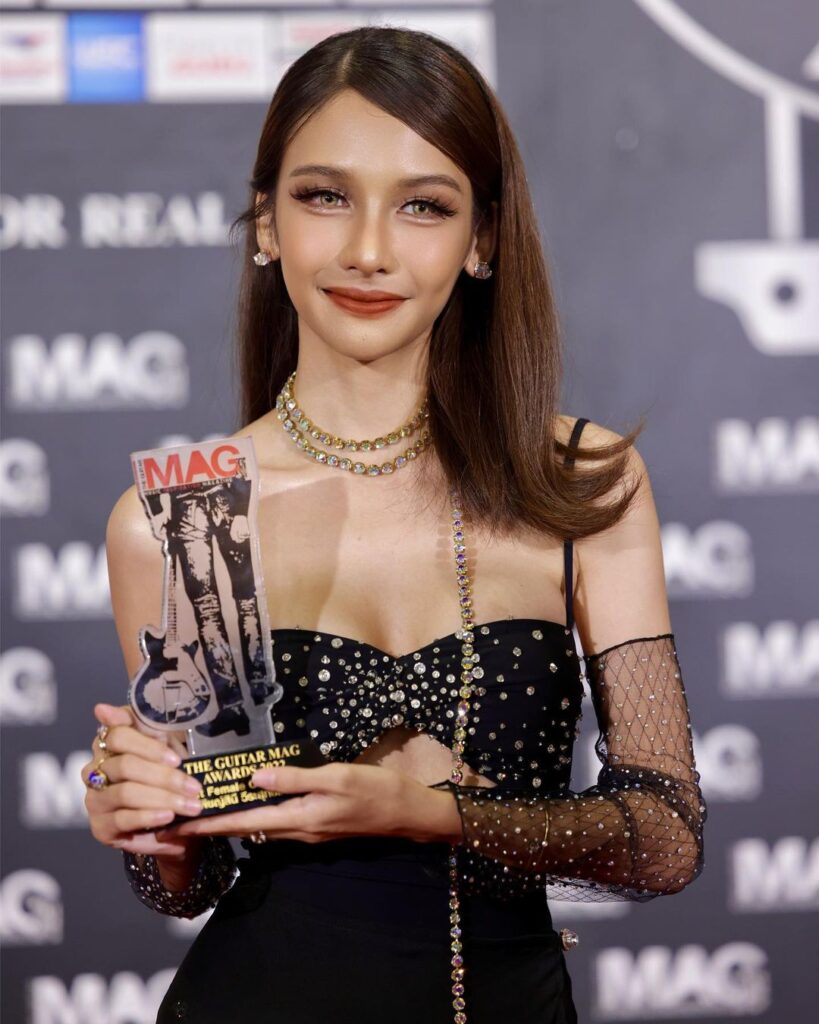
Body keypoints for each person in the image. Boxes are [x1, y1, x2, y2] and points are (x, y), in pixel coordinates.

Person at [82, 26, 708, 1024]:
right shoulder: (186, 518)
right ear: (266, 222)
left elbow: (665, 838)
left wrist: (433, 814)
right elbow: (192, 881)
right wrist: (154, 828)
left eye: (424, 205)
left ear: (482, 240)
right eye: (324, 196)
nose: (368, 250)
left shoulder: (581, 483)